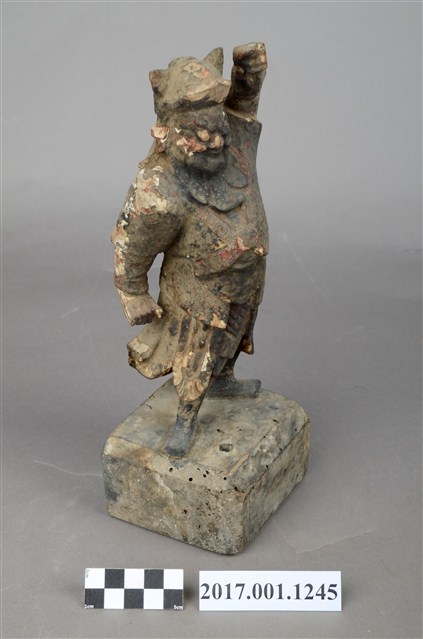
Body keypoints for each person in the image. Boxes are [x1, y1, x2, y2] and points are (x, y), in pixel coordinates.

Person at [112, 43, 268, 457]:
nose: (215, 142)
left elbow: (242, 111)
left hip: (246, 276)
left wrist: (248, 77)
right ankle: (185, 417)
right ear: (170, 131)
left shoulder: (234, 147)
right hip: (199, 291)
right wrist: (133, 291)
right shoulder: (160, 187)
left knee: (236, 333)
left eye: (219, 131)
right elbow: (131, 241)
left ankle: (225, 378)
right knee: (197, 354)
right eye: (201, 135)